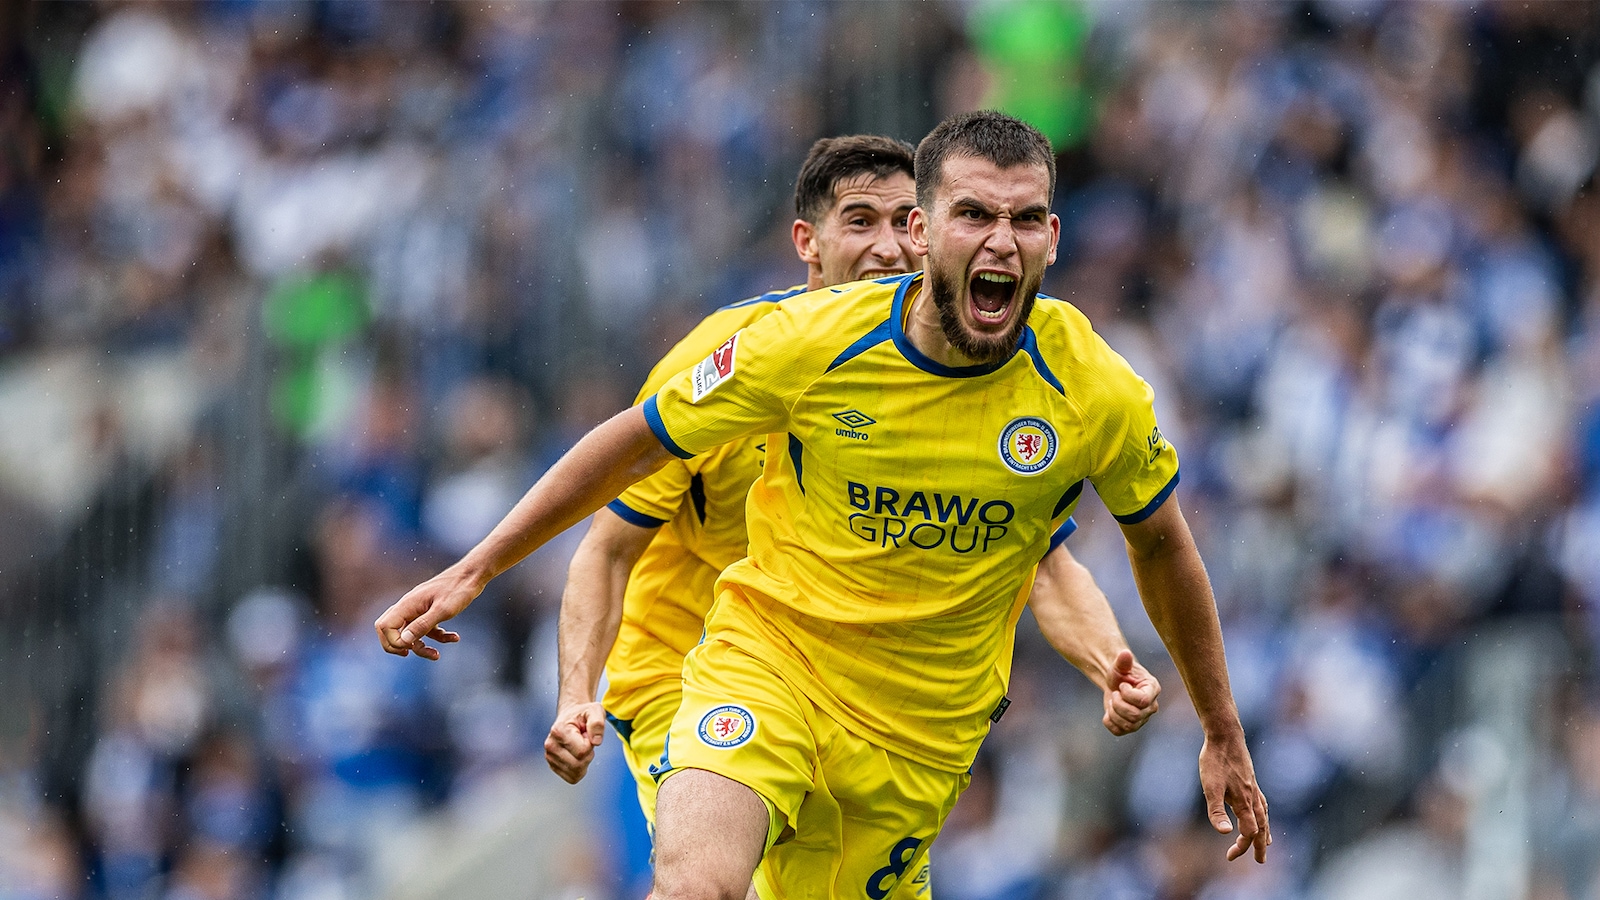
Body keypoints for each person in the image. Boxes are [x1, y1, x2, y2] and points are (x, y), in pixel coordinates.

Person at [376, 111, 1269, 899]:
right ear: (923, 232)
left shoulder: (1090, 390)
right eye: (972, 215)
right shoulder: (787, 346)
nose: (1001, 241)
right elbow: (627, 466)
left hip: (914, 741)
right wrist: (483, 573)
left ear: (1052, 236)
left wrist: (1169, 696)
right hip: (749, 669)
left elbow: (1108, 553)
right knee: (698, 885)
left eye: (1024, 219)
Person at [538, 135, 1162, 890]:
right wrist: (576, 693)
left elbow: (1045, 564)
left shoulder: (945, 374)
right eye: (861, 221)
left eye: (903, 222)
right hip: (690, 669)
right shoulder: (734, 355)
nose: (889, 246)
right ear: (808, 242)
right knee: (707, 880)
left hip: (856, 702)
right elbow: (608, 548)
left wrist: (1109, 662)